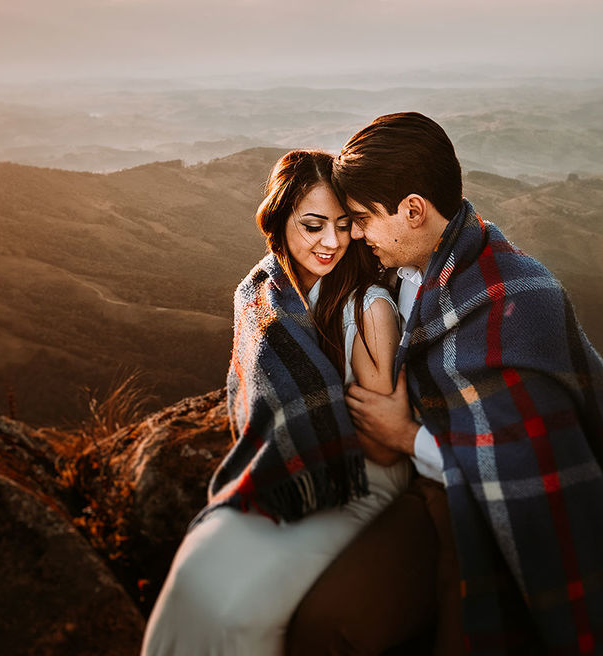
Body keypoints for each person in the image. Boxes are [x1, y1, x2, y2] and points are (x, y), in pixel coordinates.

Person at [288, 113, 603, 655]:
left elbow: (527, 462)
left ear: (412, 210)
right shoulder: (392, 265)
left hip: (468, 500)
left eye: (362, 219)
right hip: (413, 491)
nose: (356, 234)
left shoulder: (520, 299)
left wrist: (406, 435)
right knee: (316, 624)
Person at [141, 149, 411, 655]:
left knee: (240, 612)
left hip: (357, 476)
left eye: (344, 225)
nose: (331, 242)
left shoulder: (366, 308)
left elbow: (383, 447)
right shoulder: (265, 292)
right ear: (279, 219)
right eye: (313, 225)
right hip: (285, 462)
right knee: (192, 575)